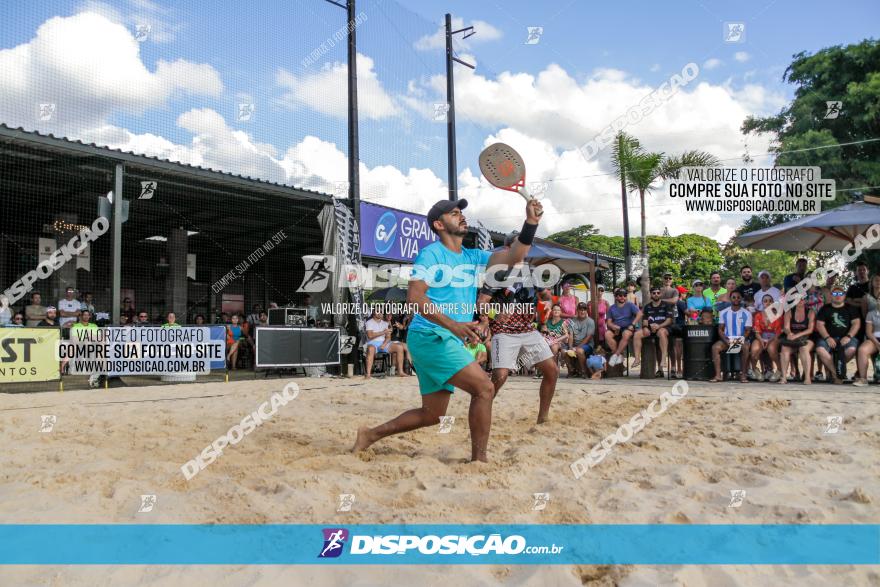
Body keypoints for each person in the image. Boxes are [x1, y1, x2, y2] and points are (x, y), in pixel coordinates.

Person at [354, 197, 542, 461]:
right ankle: (479, 461)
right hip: (430, 336)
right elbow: (415, 298)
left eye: (461, 213)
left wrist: (531, 223)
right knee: (485, 388)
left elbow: (515, 256)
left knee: (432, 415)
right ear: (439, 224)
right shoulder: (431, 254)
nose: (462, 216)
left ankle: (370, 435)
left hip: (444, 338)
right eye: (455, 213)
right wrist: (454, 325)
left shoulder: (472, 256)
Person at [485, 231, 558, 417]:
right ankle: (481, 408)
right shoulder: (497, 271)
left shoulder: (532, 271)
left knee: (552, 370)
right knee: (500, 377)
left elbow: (545, 296)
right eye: (520, 244)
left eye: (526, 245)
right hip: (504, 331)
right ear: (509, 248)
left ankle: (543, 417)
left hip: (528, 330)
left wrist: (549, 303)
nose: (525, 249)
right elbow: (481, 303)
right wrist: (495, 313)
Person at [815, 285, 860, 384]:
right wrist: (827, 338)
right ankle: (836, 373)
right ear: (831, 296)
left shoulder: (850, 308)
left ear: (844, 296)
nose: (838, 296)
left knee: (851, 350)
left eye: (840, 293)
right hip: (828, 337)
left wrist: (848, 336)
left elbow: (856, 323)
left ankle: (838, 370)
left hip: (847, 338)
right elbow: (819, 325)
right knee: (820, 349)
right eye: (835, 293)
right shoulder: (825, 309)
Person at [710, 290, 752, 383]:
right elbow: (720, 329)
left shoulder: (747, 313)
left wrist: (738, 340)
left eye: (738, 297)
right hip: (727, 340)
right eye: (734, 297)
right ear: (730, 299)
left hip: (740, 340)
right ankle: (718, 375)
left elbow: (748, 330)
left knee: (745, 347)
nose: (736, 299)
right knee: (715, 347)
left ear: (741, 299)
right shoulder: (723, 312)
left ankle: (743, 375)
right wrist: (725, 340)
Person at [633, 286, 672, 376]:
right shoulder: (647, 307)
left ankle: (663, 358)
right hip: (651, 328)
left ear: (660, 294)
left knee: (661, 332)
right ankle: (637, 358)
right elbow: (645, 321)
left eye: (658, 293)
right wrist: (646, 327)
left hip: (663, 327)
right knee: (637, 334)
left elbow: (669, 320)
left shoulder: (666, 305)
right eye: (654, 293)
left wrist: (659, 326)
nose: (656, 294)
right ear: (651, 294)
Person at [779, 297, 815, 385]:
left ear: (805, 300)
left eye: (802, 299)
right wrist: (789, 333)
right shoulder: (789, 311)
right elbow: (786, 327)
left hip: (807, 337)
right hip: (793, 337)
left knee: (804, 349)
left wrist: (797, 335)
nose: (799, 301)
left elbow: (810, 330)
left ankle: (807, 377)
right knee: (784, 348)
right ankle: (783, 377)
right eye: (797, 299)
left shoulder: (810, 312)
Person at [363, 310, 406, 378]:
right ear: (374, 312)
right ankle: (368, 374)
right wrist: (383, 332)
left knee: (399, 347)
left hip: (384, 343)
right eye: (378, 311)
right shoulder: (369, 322)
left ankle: (400, 372)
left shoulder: (385, 323)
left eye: (381, 312)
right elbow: (370, 336)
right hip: (372, 343)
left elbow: (388, 337)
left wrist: (384, 344)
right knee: (371, 349)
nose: (380, 313)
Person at [605, 288, 642, 367]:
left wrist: (633, 324)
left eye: (625, 295)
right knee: (607, 334)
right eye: (620, 295)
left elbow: (640, 314)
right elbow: (609, 322)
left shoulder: (630, 305)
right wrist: (613, 326)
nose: (623, 297)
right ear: (616, 297)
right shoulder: (611, 308)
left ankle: (616, 355)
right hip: (616, 328)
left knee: (626, 334)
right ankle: (618, 355)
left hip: (628, 327)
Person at [750, 294, 782, 381]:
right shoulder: (758, 315)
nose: (767, 303)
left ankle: (779, 370)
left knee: (771, 350)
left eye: (770, 301)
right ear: (762, 303)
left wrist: (768, 342)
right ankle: (755, 369)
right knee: (754, 350)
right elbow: (757, 332)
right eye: (765, 301)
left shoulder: (778, 315)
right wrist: (761, 341)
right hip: (760, 336)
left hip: (774, 337)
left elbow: (778, 332)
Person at [567, 302, 596, 378]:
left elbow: (588, 337)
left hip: (587, 345)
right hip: (575, 345)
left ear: (587, 311)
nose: (582, 311)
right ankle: (572, 371)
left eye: (584, 310)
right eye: (580, 309)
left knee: (579, 351)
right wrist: (570, 347)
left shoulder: (590, 321)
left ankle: (584, 372)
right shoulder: (572, 321)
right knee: (564, 352)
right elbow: (571, 335)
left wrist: (577, 348)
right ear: (577, 310)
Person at [854, 304, 880, 386]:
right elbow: (869, 332)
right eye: (879, 298)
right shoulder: (871, 314)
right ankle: (863, 379)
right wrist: (877, 343)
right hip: (874, 338)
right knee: (862, 350)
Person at [542, 304, 572, 371]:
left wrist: (556, 340)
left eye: (558, 310)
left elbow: (566, 335)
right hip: (549, 341)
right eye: (555, 310)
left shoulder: (563, 322)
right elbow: (544, 333)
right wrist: (546, 337)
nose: (556, 311)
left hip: (560, 342)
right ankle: (542, 370)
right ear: (552, 311)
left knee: (554, 347)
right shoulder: (548, 321)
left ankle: (553, 369)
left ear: (560, 312)